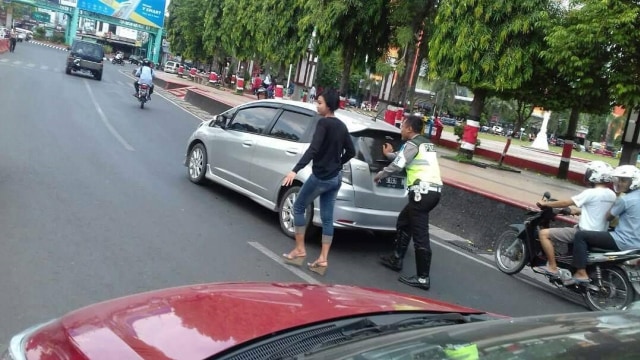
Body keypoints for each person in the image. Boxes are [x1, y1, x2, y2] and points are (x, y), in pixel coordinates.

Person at [282, 88, 355, 276]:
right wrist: (337, 164)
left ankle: (300, 249)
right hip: (335, 178)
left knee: (298, 207)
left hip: (321, 176)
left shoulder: (323, 123)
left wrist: (294, 170)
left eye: (320, 103)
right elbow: (351, 151)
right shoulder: (341, 126)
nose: (317, 105)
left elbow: (313, 150)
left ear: (329, 106)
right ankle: (322, 259)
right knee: (327, 217)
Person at [374, 115, 443, 290]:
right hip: (430, 192)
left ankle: (422, 278)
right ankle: (396, 258)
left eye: (403, 126)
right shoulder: (424, 143)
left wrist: (381, 174)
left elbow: (399, 164)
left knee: (420, 236)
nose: (401, 129)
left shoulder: (413, 145)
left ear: (410, 129)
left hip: (422, 192)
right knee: (404, 222)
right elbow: (401, 157)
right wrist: (389, 153)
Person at [532, 161, 616, 277]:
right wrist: (579, 211)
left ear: (595, 175)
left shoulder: (590, 193)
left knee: (543, 234)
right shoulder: (611, 194)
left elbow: (566, 202)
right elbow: (599, 210)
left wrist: (546, 204)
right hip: (600, 235)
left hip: (583, 233)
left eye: (589, 172)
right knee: (573, 227)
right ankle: (569, 261)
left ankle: (552, 267)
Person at [569, 165, 640, 285]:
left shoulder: (625, 200)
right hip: (637, 242)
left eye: (624, 181)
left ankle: (581, 272)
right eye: (619, 180)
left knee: (581, 236)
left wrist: (615, 201)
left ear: (634, 181)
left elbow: (608, 217)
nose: (620, 184)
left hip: (623, 240)